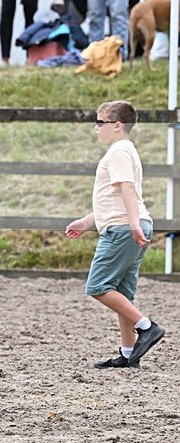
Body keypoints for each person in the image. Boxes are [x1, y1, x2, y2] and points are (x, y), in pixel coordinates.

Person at [65, 101, 164, 369]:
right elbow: (114, 198)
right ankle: (129, 354)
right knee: (122, 292)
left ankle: (147, 327)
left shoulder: (119, 151)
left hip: (123, 229)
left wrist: (132, 224)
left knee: (98, 286)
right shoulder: (124, 150)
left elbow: (128, 190)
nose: (96, 128)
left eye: (100, 122)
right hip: (130, 224)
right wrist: (87, 221)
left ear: (117, 125)